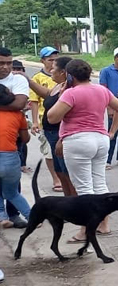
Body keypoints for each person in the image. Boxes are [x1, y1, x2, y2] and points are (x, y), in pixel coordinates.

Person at [47, 59, 118, 242]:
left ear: (70, 75)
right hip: (100, 139)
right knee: (99, 183)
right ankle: (104, 225)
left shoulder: (71, 94)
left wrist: (63, 94)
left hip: (78, 141)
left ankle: (85, 230)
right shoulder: (101, 90)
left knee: (84, 188)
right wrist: (112, 132)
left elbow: (52, 118)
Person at [27, 56, 76, 196]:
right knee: (60, 172)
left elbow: (65, 118)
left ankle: (76, 206)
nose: (51, 70)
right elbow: (47, 94)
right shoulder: (59, 86)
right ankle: (68, 204)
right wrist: (29, 81)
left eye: (54, 68)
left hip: (61, 136)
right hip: (52, 135)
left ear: (62, 72)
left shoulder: (69, 90)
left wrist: (62, 139)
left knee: (67, 174)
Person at [29, 47, 62, 188]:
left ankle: (64, 176)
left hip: (62, 121)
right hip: (46, 122)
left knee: (62, 151)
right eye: (50, 60)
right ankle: (56, 179)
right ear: (42, 61)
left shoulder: (62, 76)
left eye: (56, 60)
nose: (53, 62)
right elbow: (34, 101)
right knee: (49, 152)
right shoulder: (37, 78)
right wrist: (35, 121)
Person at [0, 83, 32, 228]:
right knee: (12, 193)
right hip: (10, 157)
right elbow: (25, 139)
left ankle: (2, 218)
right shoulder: (18, 115)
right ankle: (31, 216)